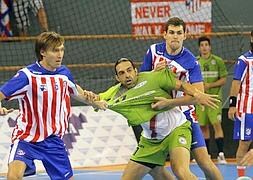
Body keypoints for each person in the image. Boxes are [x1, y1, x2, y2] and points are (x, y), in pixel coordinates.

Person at [0, 31, 106, 179]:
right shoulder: (27, 76)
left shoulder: (63, 73)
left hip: (53, 141)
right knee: (13, 177)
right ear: (43, 52)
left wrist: (95, 102)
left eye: (62, 49)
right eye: (55, 50)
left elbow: (76, 91)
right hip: (26, 138)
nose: (60, 54)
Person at [99, 58, 219, 180]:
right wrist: (87, 96)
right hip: (151, 140)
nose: (127, 75)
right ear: (117, 78)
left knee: (181, 171)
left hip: (176, 129)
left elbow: (182, 85)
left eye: (129, 70)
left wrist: (198, 94)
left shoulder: (153, 78)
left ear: (136, 71)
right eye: (122, 73)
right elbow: (94, 98)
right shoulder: (115, 93)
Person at [139, 17, 223, 179]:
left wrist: (169, 103)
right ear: (165, 34)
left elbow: (198, 96)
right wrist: (153, 73)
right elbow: (141, 82)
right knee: (154, 167)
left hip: (184, 116)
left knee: (204, 162)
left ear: (185, 35)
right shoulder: (153, 51)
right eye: (171, 32)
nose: (175, 36)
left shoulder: (191, 62)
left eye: (179, 33)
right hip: (159, 117)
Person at [195, 36, 228, 164]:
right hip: (200, 100)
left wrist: (210, 85)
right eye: (202, 45)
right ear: (199, 48)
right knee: (203, 126)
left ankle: (221, 154)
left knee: (216, 124)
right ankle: (207, 155)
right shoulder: (196, 62)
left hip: (214, 99)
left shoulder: (218, 61)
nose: (204, 47)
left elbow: (224, 79)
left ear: (210, 47)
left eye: (206, 45)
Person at [228, 30, 253, 177]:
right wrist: (232, 104)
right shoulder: (244, 60)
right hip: (247, 110)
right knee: (244, 144)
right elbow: (236, 83)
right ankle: (241, 177)